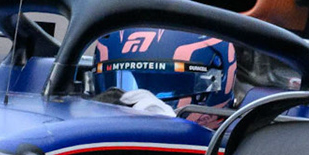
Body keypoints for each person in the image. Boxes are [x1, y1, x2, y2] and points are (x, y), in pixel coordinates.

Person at [84, 30, 240, 120]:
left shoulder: (242, 149)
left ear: (213, 84)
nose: (143, 102)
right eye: (125, 83)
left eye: (167, 87)